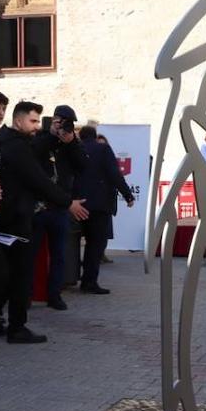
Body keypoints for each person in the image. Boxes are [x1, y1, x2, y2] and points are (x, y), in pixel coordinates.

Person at [0, 101, 89, 343]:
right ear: (19, 120)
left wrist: (67, 140)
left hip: (10, 216)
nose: (36, 126)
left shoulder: (7, 141)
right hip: (19, 218)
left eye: (38, 122)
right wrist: (69, 203)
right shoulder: (16, 146)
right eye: (33, 121)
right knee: (20, 274)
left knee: (8, 275)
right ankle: (16, 327)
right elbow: (39, 180)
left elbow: (80, 165)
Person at [31, 104, 87, 310]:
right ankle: (26, 295)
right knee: (31, 254)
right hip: (38, 207)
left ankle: (54, 295)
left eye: (66, 123)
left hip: (60, 207)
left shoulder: (73, 142)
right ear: (53, 120)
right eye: (59, 121)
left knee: (59, 255)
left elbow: (83, 166)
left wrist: (70, 142)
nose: (63, 126)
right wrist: (52, 134)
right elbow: (35, 152)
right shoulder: (41, 137)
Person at [76, 125, 135, 293]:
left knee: (74, 244)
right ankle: (89, 282)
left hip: (76, 204)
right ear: (95, 137)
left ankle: (72, 277)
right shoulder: (102, 149)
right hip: (99, 205)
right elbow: (114, 173)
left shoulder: (75, 148)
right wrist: (128, 195)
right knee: (95, 245)